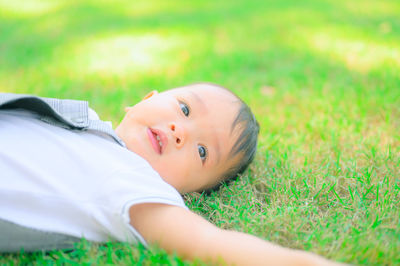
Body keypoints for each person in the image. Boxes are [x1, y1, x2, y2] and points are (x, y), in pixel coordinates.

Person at [0, 83, 341, 265]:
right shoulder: (85, 123)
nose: (181, 131)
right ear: (147, 97)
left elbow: (213, 243)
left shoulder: (136, 185)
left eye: (203, 151)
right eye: (185, 108)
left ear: (187, 193)